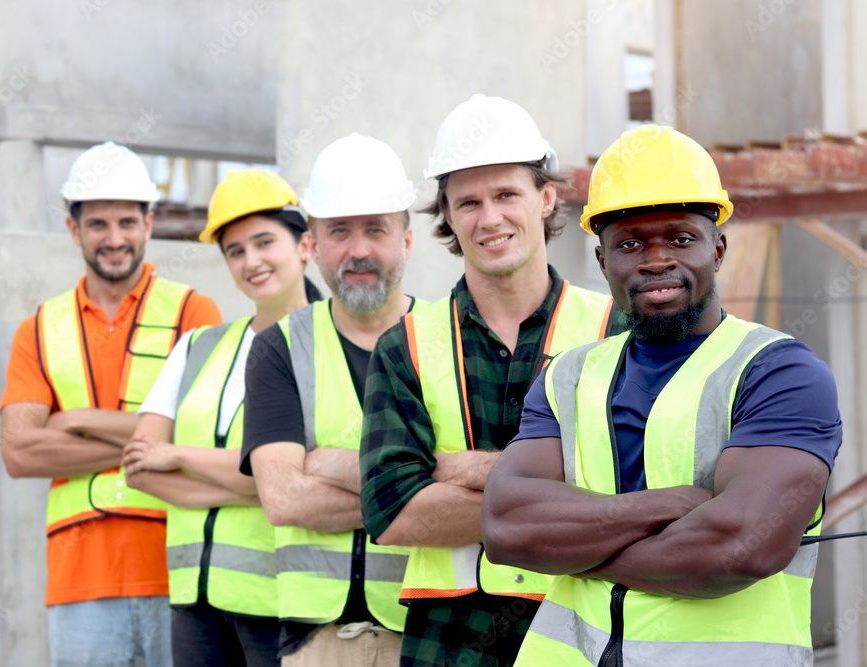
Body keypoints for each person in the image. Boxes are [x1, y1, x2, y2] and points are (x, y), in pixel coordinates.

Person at [482, 124, 843, 667]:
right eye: (630, 243)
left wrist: (576, 552)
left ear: (717, 249)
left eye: (679, 238)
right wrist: (670, 507)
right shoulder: (568, 377)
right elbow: (507, 527)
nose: (655, 261)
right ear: (603, 262)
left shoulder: (781, 374)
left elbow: (738, 547)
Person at [359, 94, 626, 667]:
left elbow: (635, 489)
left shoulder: (615, 331)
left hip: (586, 624)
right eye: (468, 202)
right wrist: (559, 491)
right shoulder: (404, 345)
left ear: (547, 197)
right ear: (449, 217)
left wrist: (472, 470)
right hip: (449, 641)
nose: (489, 218)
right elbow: (391, 511)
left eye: (507, 194)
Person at [0, 141, 221, 666]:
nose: (114, 238)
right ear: (74, 229)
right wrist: (150, 441)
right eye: (98, 224)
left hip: (182, 568)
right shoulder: (39, 328)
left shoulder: (194, 311)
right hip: (80, 583)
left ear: (149, 223)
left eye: (127, 221)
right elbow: (20, 452)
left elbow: (201, 435)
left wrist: (75, 422)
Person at [118, 168, 321, 667]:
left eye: (264, 241)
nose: (251, 260)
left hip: (280, 605)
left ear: (305, 246)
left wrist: (179, 455)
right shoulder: (197, 346)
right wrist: (252, 483)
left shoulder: (330, 351)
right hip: (194, 604)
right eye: (235, 250)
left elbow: (299, 478)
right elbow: (140, 468)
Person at [241, 133, 421, 666]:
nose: (359, 250)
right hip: (314, 643)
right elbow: (284, 500)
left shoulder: (447, 339)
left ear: (406, 240)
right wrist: (411, 490)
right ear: (313, 245)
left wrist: (324, 466)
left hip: (427, 633)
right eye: (339, 231)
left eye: (376, 229)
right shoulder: (279, 347)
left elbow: (476, 501)